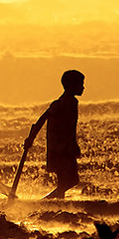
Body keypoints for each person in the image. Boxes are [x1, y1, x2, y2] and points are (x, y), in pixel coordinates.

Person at [24, 70, 85, 199]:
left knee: (69, 180)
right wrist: (31, 138)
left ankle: (54, 204)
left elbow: (70, 127)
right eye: (80, 84)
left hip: (66, 148)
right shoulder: (61, 104)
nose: (83, 87)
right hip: (59, 149)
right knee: (68, 180)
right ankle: (47, 202)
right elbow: (42, 119)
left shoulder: (72, 102)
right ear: (71, 86)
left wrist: (74, 144)